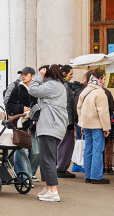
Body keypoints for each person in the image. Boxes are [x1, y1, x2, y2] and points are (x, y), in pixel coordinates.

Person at [29, 65, 70, 202]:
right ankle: (48, 187)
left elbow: (33, 90)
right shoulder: (57, 85)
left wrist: (39, 75)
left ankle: (53, 190)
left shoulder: (53, 85)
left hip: (50, 127)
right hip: (52, 126)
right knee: (45, 158)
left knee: (48, 159)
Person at [77, 68, 111, 184]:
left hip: (85, 125)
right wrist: (107, 128)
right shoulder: (100, 93)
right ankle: (96, 176)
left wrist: (81, 124)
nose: (104, 81)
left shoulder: (85, 91)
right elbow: (103, 112)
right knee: (98, 150)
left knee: (88, 150)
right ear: (100, 79)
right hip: (97, 126)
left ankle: (88, 175)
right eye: (104, 79)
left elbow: (79, 108)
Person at [5, 66, 37, 179]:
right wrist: (22, 108)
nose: (23, 76)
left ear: (32, 76)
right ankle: (24, 177)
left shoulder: (36, 89)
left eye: (26, 74)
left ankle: (30, 173)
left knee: (36, 152)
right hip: (21, 124)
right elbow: (9, 106)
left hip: (34, 125)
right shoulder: (17, 88)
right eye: (22, 74)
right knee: (22, 151)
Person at [56, 65, 82, 178]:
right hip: (66, 121)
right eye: (71, 73)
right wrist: (70, 123)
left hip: (61, 120)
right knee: (66, 145)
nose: (72, 76)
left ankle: (59, 167)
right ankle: (61, 168)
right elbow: (68, 106)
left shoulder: (60, 84)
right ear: (64, 74)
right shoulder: (65, 86)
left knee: (60, 145)